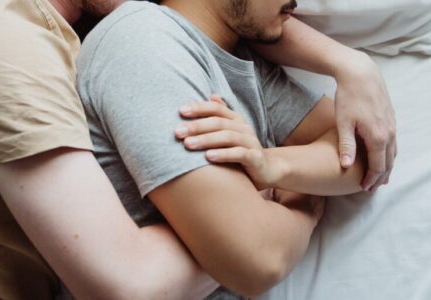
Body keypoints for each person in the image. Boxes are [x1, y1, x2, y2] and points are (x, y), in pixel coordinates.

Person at [0, 0, 395, 299]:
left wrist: (349, 64)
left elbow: (218, 21)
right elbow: (133, 285)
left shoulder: (69, 33)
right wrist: (288, 200)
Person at [75, 0, 393, 297]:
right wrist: (306, 208)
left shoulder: (240, 61)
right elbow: (260, 259)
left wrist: (274, 165)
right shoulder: (143, 41)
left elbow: (367, 151)